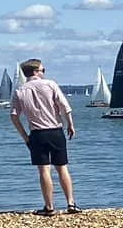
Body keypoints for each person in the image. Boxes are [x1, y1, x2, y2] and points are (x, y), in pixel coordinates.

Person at [8, 58, 80, 215]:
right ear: (35, 72)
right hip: (55, 130)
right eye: (42, 70)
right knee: (62, 168)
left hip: (36, 133)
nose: (44, 72)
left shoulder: (20, 91)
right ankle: (71, 203)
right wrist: (70, 124)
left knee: (44, 171)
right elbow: (65, 107)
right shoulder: (50, 84)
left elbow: (14, 116)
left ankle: (49, 206)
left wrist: (24, 136)